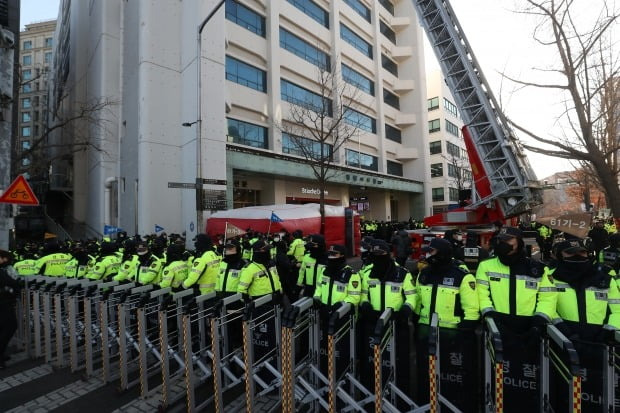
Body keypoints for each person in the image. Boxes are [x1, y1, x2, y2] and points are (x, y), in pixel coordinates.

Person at [548, 239, 619, 340]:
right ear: (560, 255)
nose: (578, 255)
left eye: (582, 252)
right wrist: (563, 330)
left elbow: (618, 310)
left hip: (600, 341)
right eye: (570, 253)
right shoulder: (550, 278)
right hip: (562, 340)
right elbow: (547, 306)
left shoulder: (605, 279)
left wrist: (608, 331)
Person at [416, 238, 479, 328]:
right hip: (424, 328)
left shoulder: (462, 276)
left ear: (442, 253)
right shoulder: (423, 273)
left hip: (451, 331)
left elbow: (471, 307)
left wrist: (467, 327)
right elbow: (418, 300)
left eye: (431, 251)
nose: (428, 255)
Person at [313, 244, 361, 309]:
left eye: (334, 254)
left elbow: (354, 297)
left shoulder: (351, 274)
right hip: (324, 308)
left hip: (341, 311)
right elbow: (319, 286)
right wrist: (317, 297)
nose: (330, 256)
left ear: (342, 255)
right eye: (330, 253)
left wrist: (342, 304)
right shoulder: (325, 270)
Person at [0, 249, 20, 369]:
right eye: (5, 258)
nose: (6, 261)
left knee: (3, 328)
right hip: (3, 303)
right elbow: (12, 282)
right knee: (10, 326)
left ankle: (1, 354)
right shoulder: (2, 271)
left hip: (4, 302)